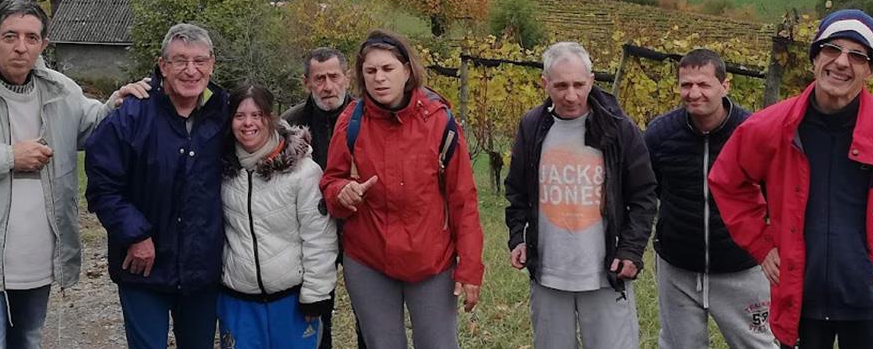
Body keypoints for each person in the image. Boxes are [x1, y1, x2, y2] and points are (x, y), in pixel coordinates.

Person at [708, 9, 873, 349]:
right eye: (831, 50)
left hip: (872, 298)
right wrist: (762, 247)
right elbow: (726, 180)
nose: (841, 62)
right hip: (799, 298)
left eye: (857, 55)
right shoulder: (772, 127)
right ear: (814, 59)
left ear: (869, 70)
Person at [0, 0, 146, 349]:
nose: (21, 47)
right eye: (10, 36)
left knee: (27, 341)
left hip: (38, 255)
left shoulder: (60, 90)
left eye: (31, 38)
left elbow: (90, 128)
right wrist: (8, 156)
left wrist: (116, 104)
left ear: (43, 45)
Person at [320, 29, 484, 349]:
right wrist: (341, 193)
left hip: (431, 261)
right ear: (361, 76)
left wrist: (470, 267)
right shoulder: (351, 122)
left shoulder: (439, 121)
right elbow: (331, 181)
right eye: (371, 71)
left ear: (407, 71)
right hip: (369, 260)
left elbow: (462, 197)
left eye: (388, 69)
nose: (379, 78)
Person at [503, 41, 658, 349]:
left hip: (604, 272)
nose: (570, 95)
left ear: (591, 81)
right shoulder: (532, 126)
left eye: (578, 84)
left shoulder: (618, 128)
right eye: (560, 86)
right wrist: (518, 237)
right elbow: (517, 190)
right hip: (548, 271)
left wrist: (630, 251)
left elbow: (643, 195)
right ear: (544, 83)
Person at [84, 23, 229, 349]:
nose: (191, 70)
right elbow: (102, 185)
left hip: (201, 269)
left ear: (212, 64)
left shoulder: (223, 113)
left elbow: (260, 146)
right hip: (143, 266)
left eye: (199, 61)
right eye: (180, 61)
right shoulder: (131, 115)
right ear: (163, 65)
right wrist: (135, 234)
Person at [644, 49, 774, 348]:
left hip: (742, 268)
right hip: (678, 269)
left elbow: (776, 197)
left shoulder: (753, 133)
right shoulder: (659, 135)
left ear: (724, 86)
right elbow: (650, 192)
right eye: (686, 85)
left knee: (757, 345)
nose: (693, 93)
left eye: (703, 84)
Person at [216, 84, 338, 349]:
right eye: (239, 116)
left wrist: (316, 293)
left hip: (291, 301)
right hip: (237, 301)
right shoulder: (221, 168)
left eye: (257, 115)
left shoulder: (303, 172)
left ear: (270, 117)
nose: (248, 123)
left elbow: (319, 237)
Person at [281, 47, 364, 349]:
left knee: (367, 315)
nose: (328, 86)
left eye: (334, 77)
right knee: (316, 314)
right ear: (307, 83)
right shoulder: (291, 124)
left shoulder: (366, 116)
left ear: (347, 77)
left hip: (360, 230)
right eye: (319, 79)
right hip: (311, 235)